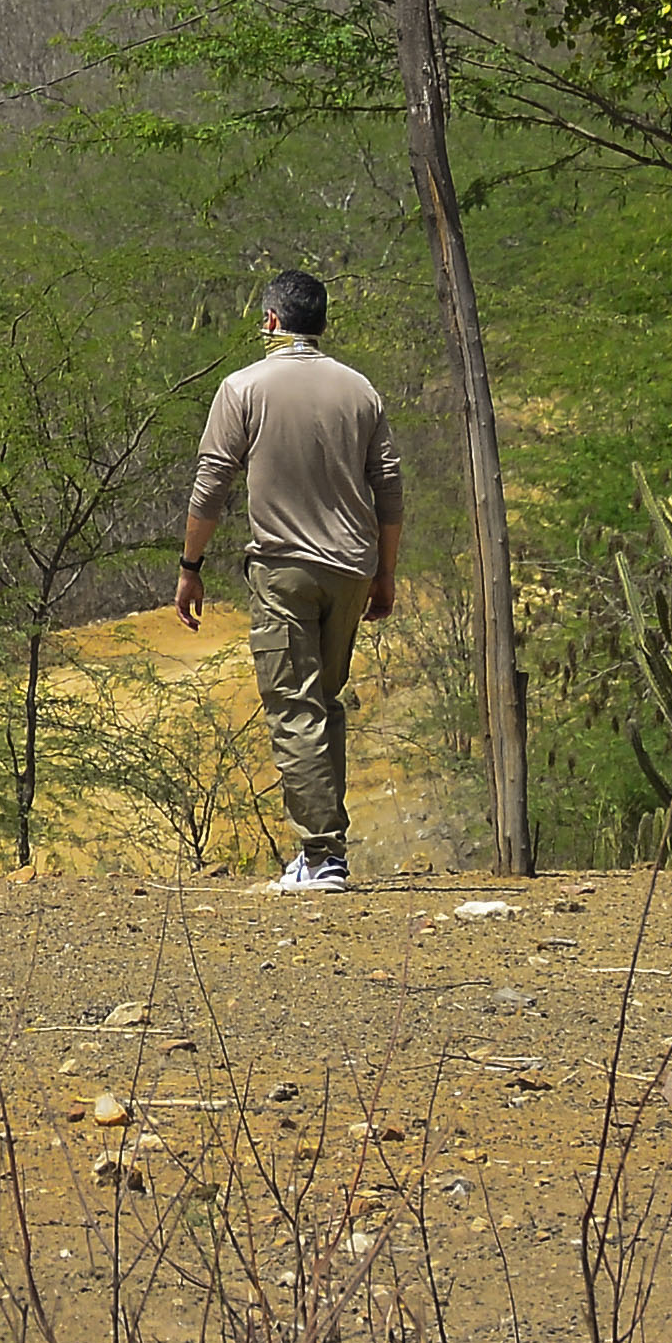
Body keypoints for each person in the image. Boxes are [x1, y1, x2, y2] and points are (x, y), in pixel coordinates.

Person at [176, 271, 403, 893]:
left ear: (272, 321)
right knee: (324, 702)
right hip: (353, 571)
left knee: (294, 708)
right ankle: (326, 848)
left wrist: (191, 567)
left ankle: (322, 855)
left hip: (284, 571)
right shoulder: (360, 390)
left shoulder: (243, 387)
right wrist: (385, 573)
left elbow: (211, 486)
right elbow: (389, 489)